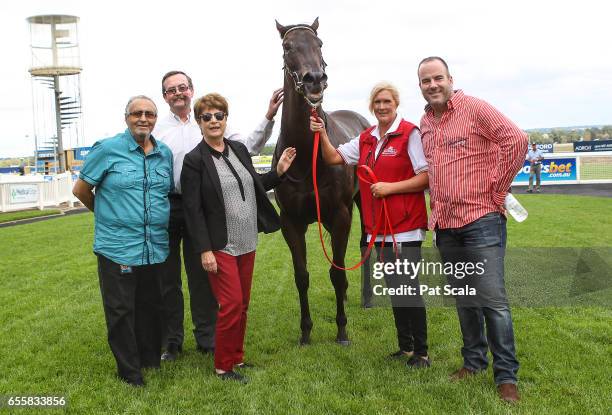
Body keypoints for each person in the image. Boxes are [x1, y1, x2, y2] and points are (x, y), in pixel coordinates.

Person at [417, 56, 528, 403]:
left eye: (437, 78)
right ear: (420, 86)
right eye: (425, 81)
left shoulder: (475, 108)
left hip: (481, 219)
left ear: (450, 78)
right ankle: (474, 362)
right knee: (465, 300)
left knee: (493, 301)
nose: (432, 85)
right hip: (446, 224)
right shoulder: (425, 122)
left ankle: (506, 377)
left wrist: (497, 190)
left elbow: (516, 139)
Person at [153, 70, 283, 361]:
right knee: (168, 279)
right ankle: (171, 341)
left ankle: (208, 337)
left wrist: (268, 116)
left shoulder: (210, 119)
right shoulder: (158, 130)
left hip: (206, 208)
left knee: (203, 275)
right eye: (171, 90)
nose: (178, 93)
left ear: (191, 90)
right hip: (171, 206)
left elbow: (247, 149)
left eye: (182, 87)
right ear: (165, 96)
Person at [310, 82, 431, 369]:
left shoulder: (410, 134)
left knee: (408, 288)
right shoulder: (366, 138)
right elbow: (333, 157)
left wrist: (390, 188)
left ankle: (422, 352)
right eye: (377, 102)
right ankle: (405, 347)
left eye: (387, 101)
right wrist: (322, 134)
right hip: (379, 228)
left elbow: (426, 177)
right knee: (394, 287)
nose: (382, 106)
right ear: (371, 106)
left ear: (396, 103)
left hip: (405, 225)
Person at [181, 93, 295, 383]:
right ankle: (222, 365)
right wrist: (204, 250)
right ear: (199, 122)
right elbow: (192, 210)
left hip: (247, 240)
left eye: (219, 115)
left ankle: (237, 357)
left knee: (243, 303)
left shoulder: (239, 150)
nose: (214, 121)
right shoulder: (195, 161)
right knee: (230, 303)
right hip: (220, 244)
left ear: (225, 119)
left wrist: (278, 172)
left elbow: (256, 186)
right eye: (207, 117)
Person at [72, 96, 173, 387]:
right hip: (117, 247)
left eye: (150, 114)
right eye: (137, 113)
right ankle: (129, 372)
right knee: (121, 310)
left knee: (151, 306)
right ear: (126, 117)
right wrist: (106, 214)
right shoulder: (107, 149)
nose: (144, 118)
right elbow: (81, 189)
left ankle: (150, 358)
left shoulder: (164, 153)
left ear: (155, 119)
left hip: (154, 246)